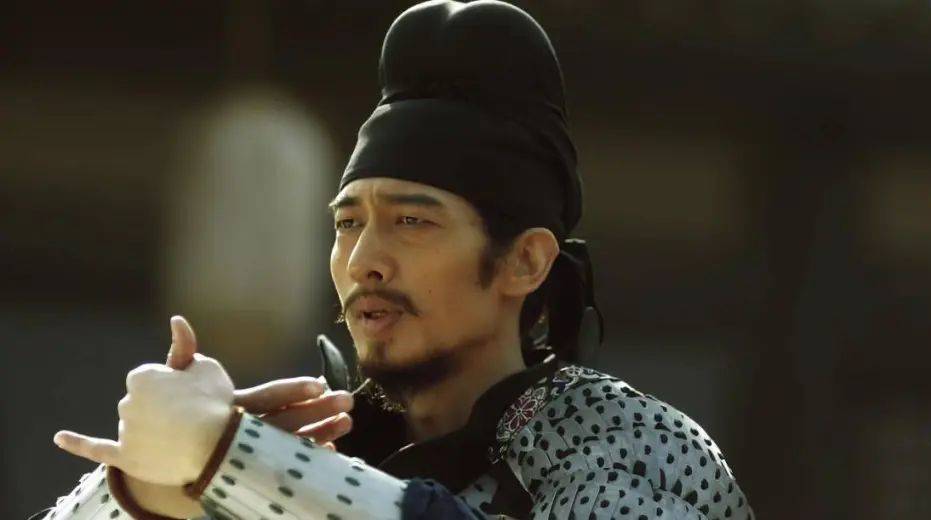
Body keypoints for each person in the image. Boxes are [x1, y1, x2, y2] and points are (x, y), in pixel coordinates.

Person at [37, 1, 753, 519]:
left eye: (412, 221)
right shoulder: (319, 446)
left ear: (525, 262)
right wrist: (150, 488)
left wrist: (235, 463)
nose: (363, 261)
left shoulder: (637, 444)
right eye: (348, 223)